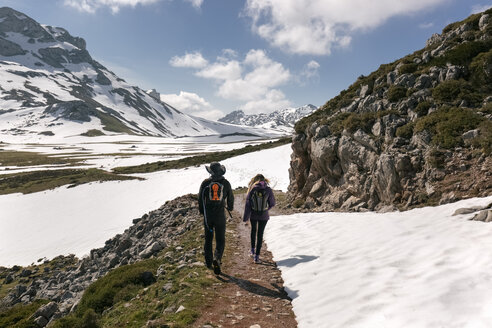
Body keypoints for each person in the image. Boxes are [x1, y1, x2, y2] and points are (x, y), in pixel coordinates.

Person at [198, 162, 234, 274]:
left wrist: (202, 212)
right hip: (220, 216)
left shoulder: (205, 183)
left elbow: (200, 199)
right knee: (220, 239)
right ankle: (217, 259)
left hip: (208, 216)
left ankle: (208, 262)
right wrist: (230, 207)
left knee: (208, 239)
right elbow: (231, 198)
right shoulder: (226, 183)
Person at [243, 174, 275, 264]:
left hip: (254, 214)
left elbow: (248, 204)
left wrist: (245, 217)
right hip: (264, 216)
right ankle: (257, 257)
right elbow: (272, 203)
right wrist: (266, 209)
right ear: (265, 180)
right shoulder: (268, 190)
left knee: (253, 231)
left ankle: (252, 250)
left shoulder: (253, 189)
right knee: (260, 234)